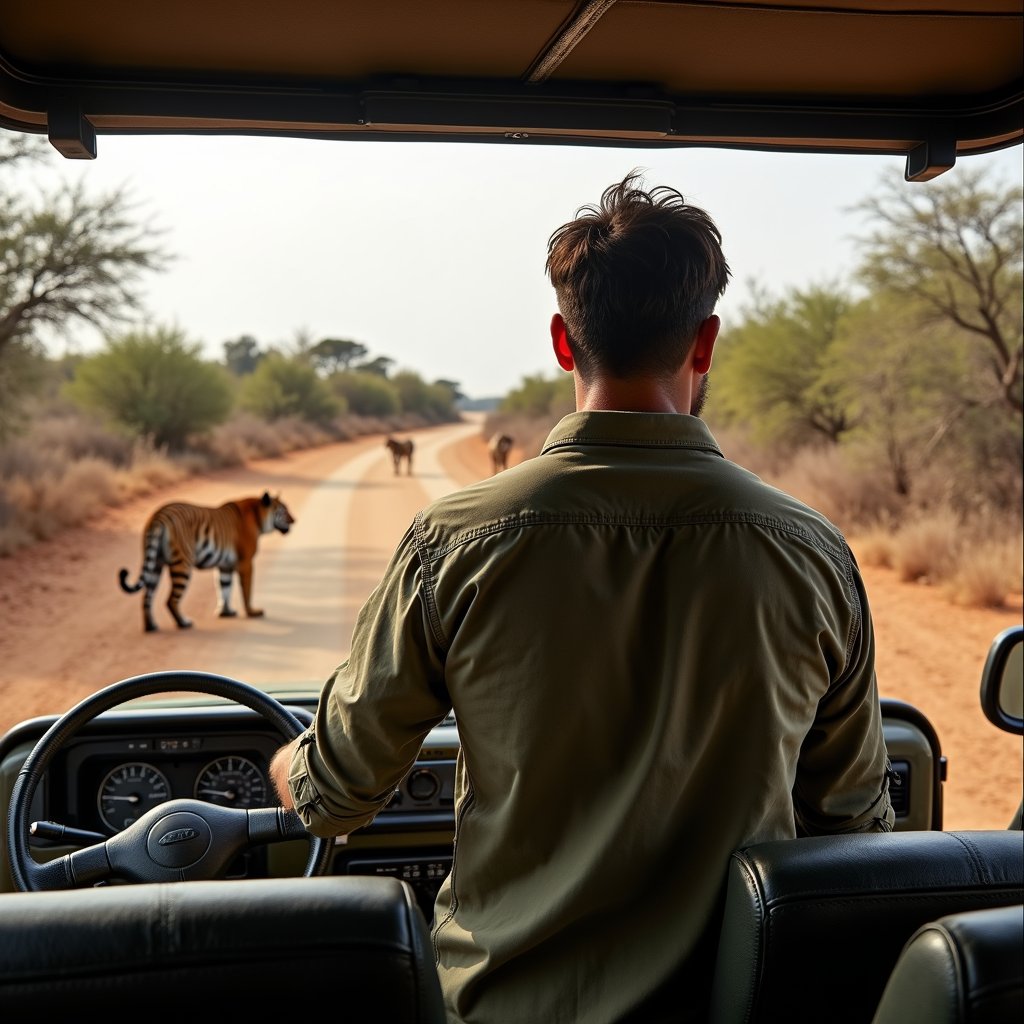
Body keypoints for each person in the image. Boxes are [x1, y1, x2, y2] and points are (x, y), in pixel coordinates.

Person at [270, 169, 895, 1023]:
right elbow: (854, 832)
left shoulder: (453, 541)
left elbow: (334, 796)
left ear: (564, 342)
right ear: (704, 342)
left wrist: (282, 763)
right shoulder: (813, 553)